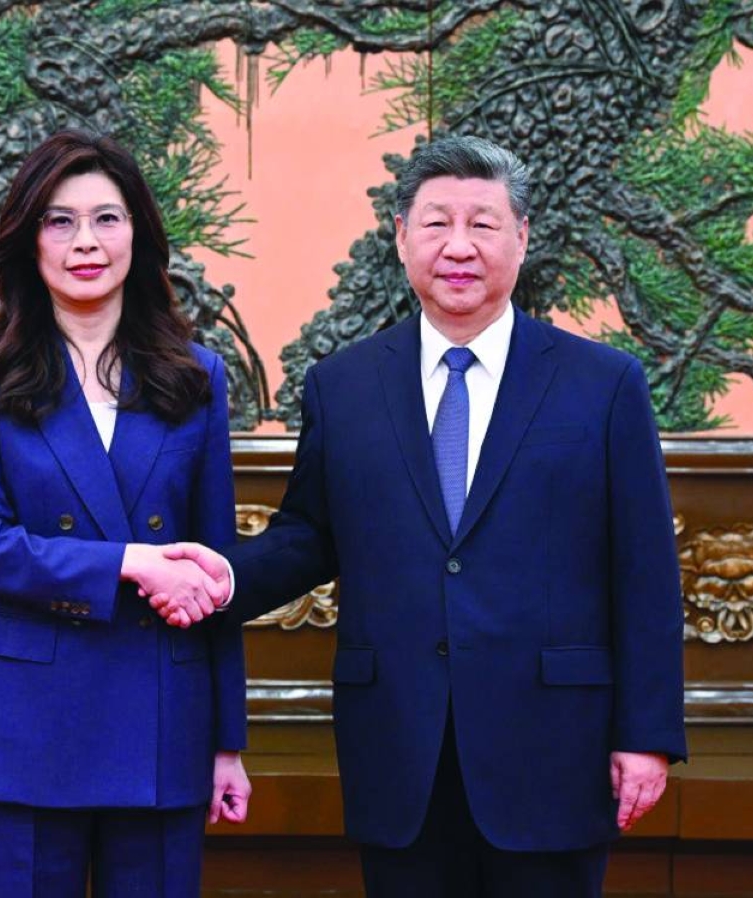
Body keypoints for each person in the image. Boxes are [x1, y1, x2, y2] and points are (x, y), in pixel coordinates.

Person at [151, 136, 686, 897]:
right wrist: (222, 578)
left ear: (522, 237)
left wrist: (647, 736)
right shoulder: (343, 386)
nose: (458, 246)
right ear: (401, 238)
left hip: (554, 749)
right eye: (436, 224)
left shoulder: (602, 384)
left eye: (483, 224)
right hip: (400, 744)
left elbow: (645, 573)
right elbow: (309, 536)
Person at [0, 130, 250, 898]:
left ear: (138, 235)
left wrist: (227, 743)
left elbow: (214, 567)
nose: (86, 242)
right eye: (60, 221)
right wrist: (131, 562)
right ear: (28, 240)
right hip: (25, 724)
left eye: (107, 218)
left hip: (163, 719)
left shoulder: (196, 377)